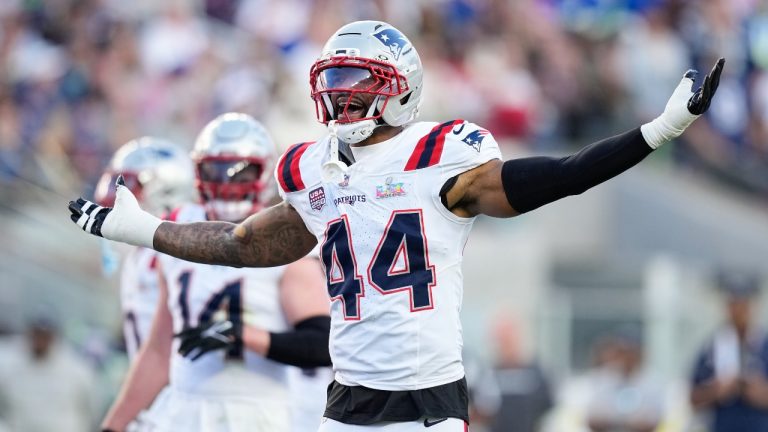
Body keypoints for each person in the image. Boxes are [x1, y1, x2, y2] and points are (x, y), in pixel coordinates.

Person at [69, 20, 724, 431]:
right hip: (344, 402)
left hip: (426, 404)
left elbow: (557, 175)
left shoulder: (443, 155)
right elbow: (244, 244)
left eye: (357, 79)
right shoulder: (314, 168)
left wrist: (656, 132)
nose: (340, 93)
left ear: (399, 88)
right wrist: (142, 230)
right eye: (334, 79)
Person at [99, 113, 332, 432]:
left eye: (239, 171)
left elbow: (322, 344)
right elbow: (159, 350)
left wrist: (241, 334)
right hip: (183, 407)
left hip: (257, 412)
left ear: (263, 172)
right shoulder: (177, 229)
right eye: (215, 169)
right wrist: (114, 426)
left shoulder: (283, 241)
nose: (227, 183)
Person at [94, 137, 196, 359]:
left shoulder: (179, 252)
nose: (117, 195)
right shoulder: (139, 253)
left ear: (166, 191)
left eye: (128, 186)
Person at [689, 271, 768, 432]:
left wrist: (759, 392)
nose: (738, 311)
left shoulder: (763, 344)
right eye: (733, 304)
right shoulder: (713, 347)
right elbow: (693, 398)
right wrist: (717, 390)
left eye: (742, 304)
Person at [0, 310, 97, 432]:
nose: (40, 341)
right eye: (37, 334)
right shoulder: (8, 361)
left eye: (45, 335)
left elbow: (90, 409)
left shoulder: (76, 369)